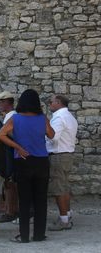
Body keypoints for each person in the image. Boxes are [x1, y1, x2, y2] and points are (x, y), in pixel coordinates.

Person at [0, 89, 55, 243]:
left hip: (23, 160)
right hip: (41, 161)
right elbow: (52, 135)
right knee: (40, 200)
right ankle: (39, 235)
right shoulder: (42, 118)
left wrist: (17, 146)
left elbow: (0, 135)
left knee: (24, 200)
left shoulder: (15, 119)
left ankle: (24, 236)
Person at [46, 95, 78, 231]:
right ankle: (67, 214)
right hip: (67, 154)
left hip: (58, 155)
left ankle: (64, 220)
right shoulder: (70, 117)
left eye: (51, 102)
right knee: (64, 186)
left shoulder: (59, 117)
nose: (49, 104)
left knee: (58, 188)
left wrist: (45, 126)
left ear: (58, 102)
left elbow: (54, 137)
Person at [0, 91, 19, 223]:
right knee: (8, 184)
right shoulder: (9, 116)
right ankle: (10, 209)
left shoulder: (12, 117)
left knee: (10, 184)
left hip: (11, 154)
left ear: (7, 103)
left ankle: (11, 211)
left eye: (1, 102)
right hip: (8, 154)